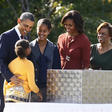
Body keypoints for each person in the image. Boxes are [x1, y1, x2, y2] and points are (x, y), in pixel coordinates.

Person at [0, 12, 35, 111]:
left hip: (21, 89)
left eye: (30, 27)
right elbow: (0, 60)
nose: (28, 29)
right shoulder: (6, 36)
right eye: (25, 25)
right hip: (6, 85)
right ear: (19, 21)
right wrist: (10, 77)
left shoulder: (26, 39)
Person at [28, 18, 61, 102]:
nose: (41, 33)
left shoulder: (54, 49)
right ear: (36, 29)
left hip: (50, 89)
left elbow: (57, 70)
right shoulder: (30, 47)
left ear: (49, 31)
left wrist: (56, 89)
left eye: (44, 31)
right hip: (33, 88)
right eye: (40, 30)